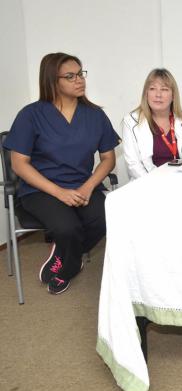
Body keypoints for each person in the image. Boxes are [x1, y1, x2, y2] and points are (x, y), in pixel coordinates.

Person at [3, 52, 119, 295]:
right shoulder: (31, 115)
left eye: (80, 73)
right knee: (67, 228)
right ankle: (68, 267)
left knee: (107, 218)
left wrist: (88, 187)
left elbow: (108, 159)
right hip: (41, 189)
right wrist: (60, 193)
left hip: (83, 185)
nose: (79, 80)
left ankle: (65, 255)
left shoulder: (95, 115)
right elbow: (19, 164)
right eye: (70, 76)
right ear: (52, 81)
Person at [121, 68, 182, 180]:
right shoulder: (131, 122)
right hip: (147, 186)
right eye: (152, 89)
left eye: (164, 89)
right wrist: (159, 187)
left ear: (173, 96)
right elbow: (133, 165)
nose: (158, 94)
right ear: (146, 94)